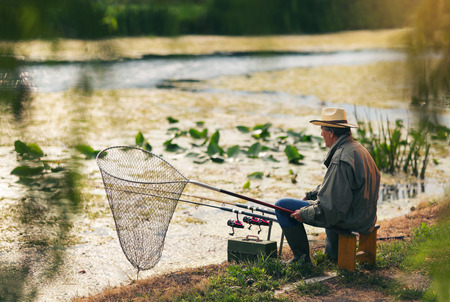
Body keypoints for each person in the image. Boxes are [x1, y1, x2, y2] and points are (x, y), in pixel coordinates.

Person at [275, 107, 380, 264]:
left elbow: (332, 209)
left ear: (331, 133)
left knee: (281, 206)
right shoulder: (357, 148)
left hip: (352, 218)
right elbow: (337, 186)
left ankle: (301, 260)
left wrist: (305, 213)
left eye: (322, 129)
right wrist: (312, 194)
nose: (321, 134)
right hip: (366, 215)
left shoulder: (340, 158)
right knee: (313, 203)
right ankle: (333, 254)